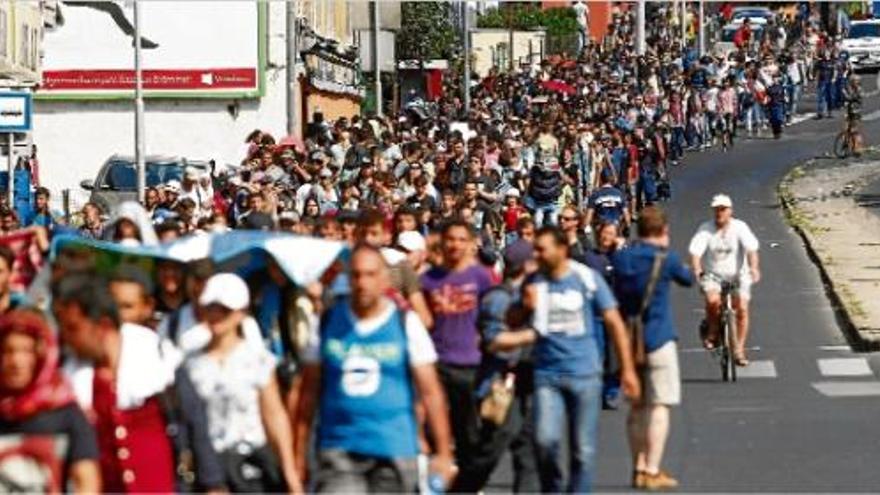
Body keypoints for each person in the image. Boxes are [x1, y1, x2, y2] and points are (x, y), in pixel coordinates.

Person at [490, 226, 641, 493]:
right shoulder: (534, 282)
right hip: (547, 375)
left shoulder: (586, 278)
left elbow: (614, 322)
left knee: (582, 449)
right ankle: (554, 488)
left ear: (561, 250)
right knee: (545, 440)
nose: (536, 254)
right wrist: (524, 306)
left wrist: (627, 370)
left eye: (541, 249)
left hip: (585, 374)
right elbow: (511, 321)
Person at [294, 245, 454, 492]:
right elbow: (307, 393)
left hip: (394, 450)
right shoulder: (327, 321)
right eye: (356, 275)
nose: (362, 283)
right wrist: (299, 452)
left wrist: (443, 454)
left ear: (384, 279)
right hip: (340, 449)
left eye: (370, 274)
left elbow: (431, 392)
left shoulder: (406, 323)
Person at [53, 273, 225, 493]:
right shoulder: (72, 374)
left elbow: (194, 421)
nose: (66, 338)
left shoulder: (156, 355)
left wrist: (213, 484)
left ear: (103, 326)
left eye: (73, 328)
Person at [184, 273, 302, 493]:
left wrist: (290, 474)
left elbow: (274, 415)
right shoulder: (190, 363)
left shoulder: (257, 359)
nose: (217, 315)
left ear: (241, 312)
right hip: (208, 471)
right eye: (211, 307)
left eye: (225, 309)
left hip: (251, 468)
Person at [611, 207, 694, 490]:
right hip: (658, 337)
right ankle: (652, 468)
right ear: (663, 231)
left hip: (629, 341)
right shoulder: (666, 259)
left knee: (636, 407)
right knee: (659, 405)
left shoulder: (622, 259)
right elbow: (687, 279)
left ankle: (636, 466)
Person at [455, 240, 540, 493]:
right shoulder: (499, 299)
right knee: (490, 450)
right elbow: (493, 342)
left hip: (525, 382)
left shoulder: (531, 294)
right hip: (500, 383)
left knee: (528, 453)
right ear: (526, 265)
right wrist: (534, 335)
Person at [419, 220, 495, 487]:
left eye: (462, 239)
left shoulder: (481, 277)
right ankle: (439, 480)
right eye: (451, 239)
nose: (455, 245)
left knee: (469, 435)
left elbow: (493, 314)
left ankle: (466, 484)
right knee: (434, 429)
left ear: (470, 243)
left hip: (471, 364)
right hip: (436, 364)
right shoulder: (427, 280)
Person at [0, 310, 100, 493]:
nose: (16, 361)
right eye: (8, 351)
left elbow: (86, 482)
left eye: (26, 351)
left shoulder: (66, 412)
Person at [688, 194, 761, 366]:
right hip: (714, 275)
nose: (720, 213)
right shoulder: (706, 229)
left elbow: (751, 249)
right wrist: (697, 269)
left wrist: (754, 268)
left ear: (730, 211)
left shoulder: (740, 227)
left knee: (742, 308)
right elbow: (696, 252)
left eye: (723, 209)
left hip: (738, 275)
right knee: (713, 301)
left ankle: (739, 349)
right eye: (717, 210)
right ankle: (713, 331)